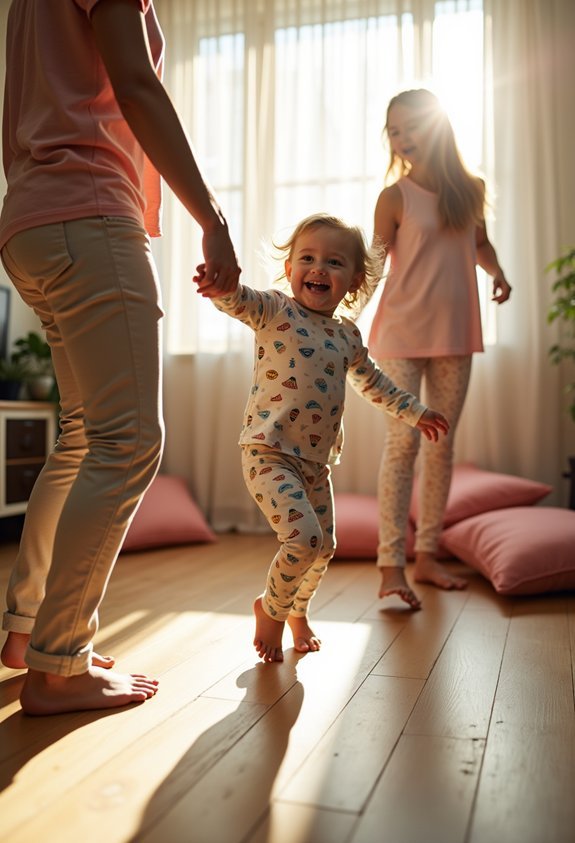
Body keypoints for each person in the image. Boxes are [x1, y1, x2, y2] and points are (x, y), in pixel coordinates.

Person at [0, 0, 240, 715]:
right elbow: (136, 87)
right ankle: (59, 665)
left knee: (81, 433)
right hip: (88, 213)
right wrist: (213, 220)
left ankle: (27, 632)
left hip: (32, 222)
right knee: (130, 437)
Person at [194, 213, 449, 663]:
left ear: (352, 282)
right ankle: (270, 610)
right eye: (307, 258)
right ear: (289, 268)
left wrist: (415, 411)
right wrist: (220, 289)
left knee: (324, 547)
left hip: (315, 463)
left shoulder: (346, 335)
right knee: (303, 540)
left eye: (333, 262)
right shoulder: (275, 309)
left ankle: (297, 612)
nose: (318, 269)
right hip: (267, 452)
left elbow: (375, 384)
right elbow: (239, 300)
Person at [368, 89, 511, 609]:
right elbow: (372, 267)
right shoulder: (394, 198)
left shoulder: (469, 190)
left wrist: (498, 274)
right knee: (403, 445)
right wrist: (332, 314)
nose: (402, 138)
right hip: (399, 336)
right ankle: (391, 564)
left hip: (454, 334)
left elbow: (479, 245)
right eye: (394, 130)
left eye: (410, 126)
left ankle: (427, 556)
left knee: (441, 445)